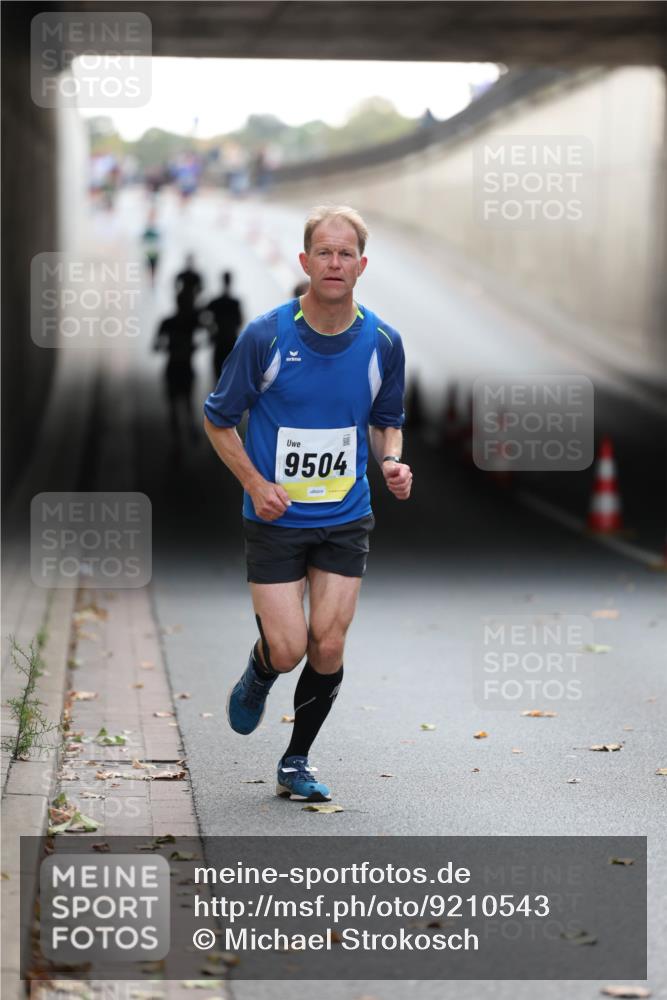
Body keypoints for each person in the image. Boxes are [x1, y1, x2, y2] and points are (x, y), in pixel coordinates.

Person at [203, 205, 412, 802]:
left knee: (328, 642)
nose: (335, 262)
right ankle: (261, 669)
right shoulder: (265, 336)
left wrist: (391, 461)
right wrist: (253, 482)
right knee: (291, 647)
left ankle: (296, 761)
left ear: (361, 266)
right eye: (324, 251)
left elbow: (385, 421)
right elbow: (218, 420)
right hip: (274, 519)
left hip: (345, 515)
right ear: (305, 261)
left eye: (346, 253)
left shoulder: (383, 342)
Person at [154, 291, 204, 443]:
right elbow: (208, 333)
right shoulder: (192, 322)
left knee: (174, 405)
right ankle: (189, 430)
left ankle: (177, 439)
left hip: (173, 366)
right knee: (187, 402)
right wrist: (193, 347)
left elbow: (155, 346)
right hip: (185, 367)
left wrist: (170, 347)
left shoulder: (168, 322)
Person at [201, 271, 244, 384]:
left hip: (219, 341)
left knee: (218, 376)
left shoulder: (216, 302)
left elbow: (202, 316)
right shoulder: (235, 303)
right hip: (231, 342)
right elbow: (240, 322)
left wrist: (211, 330)